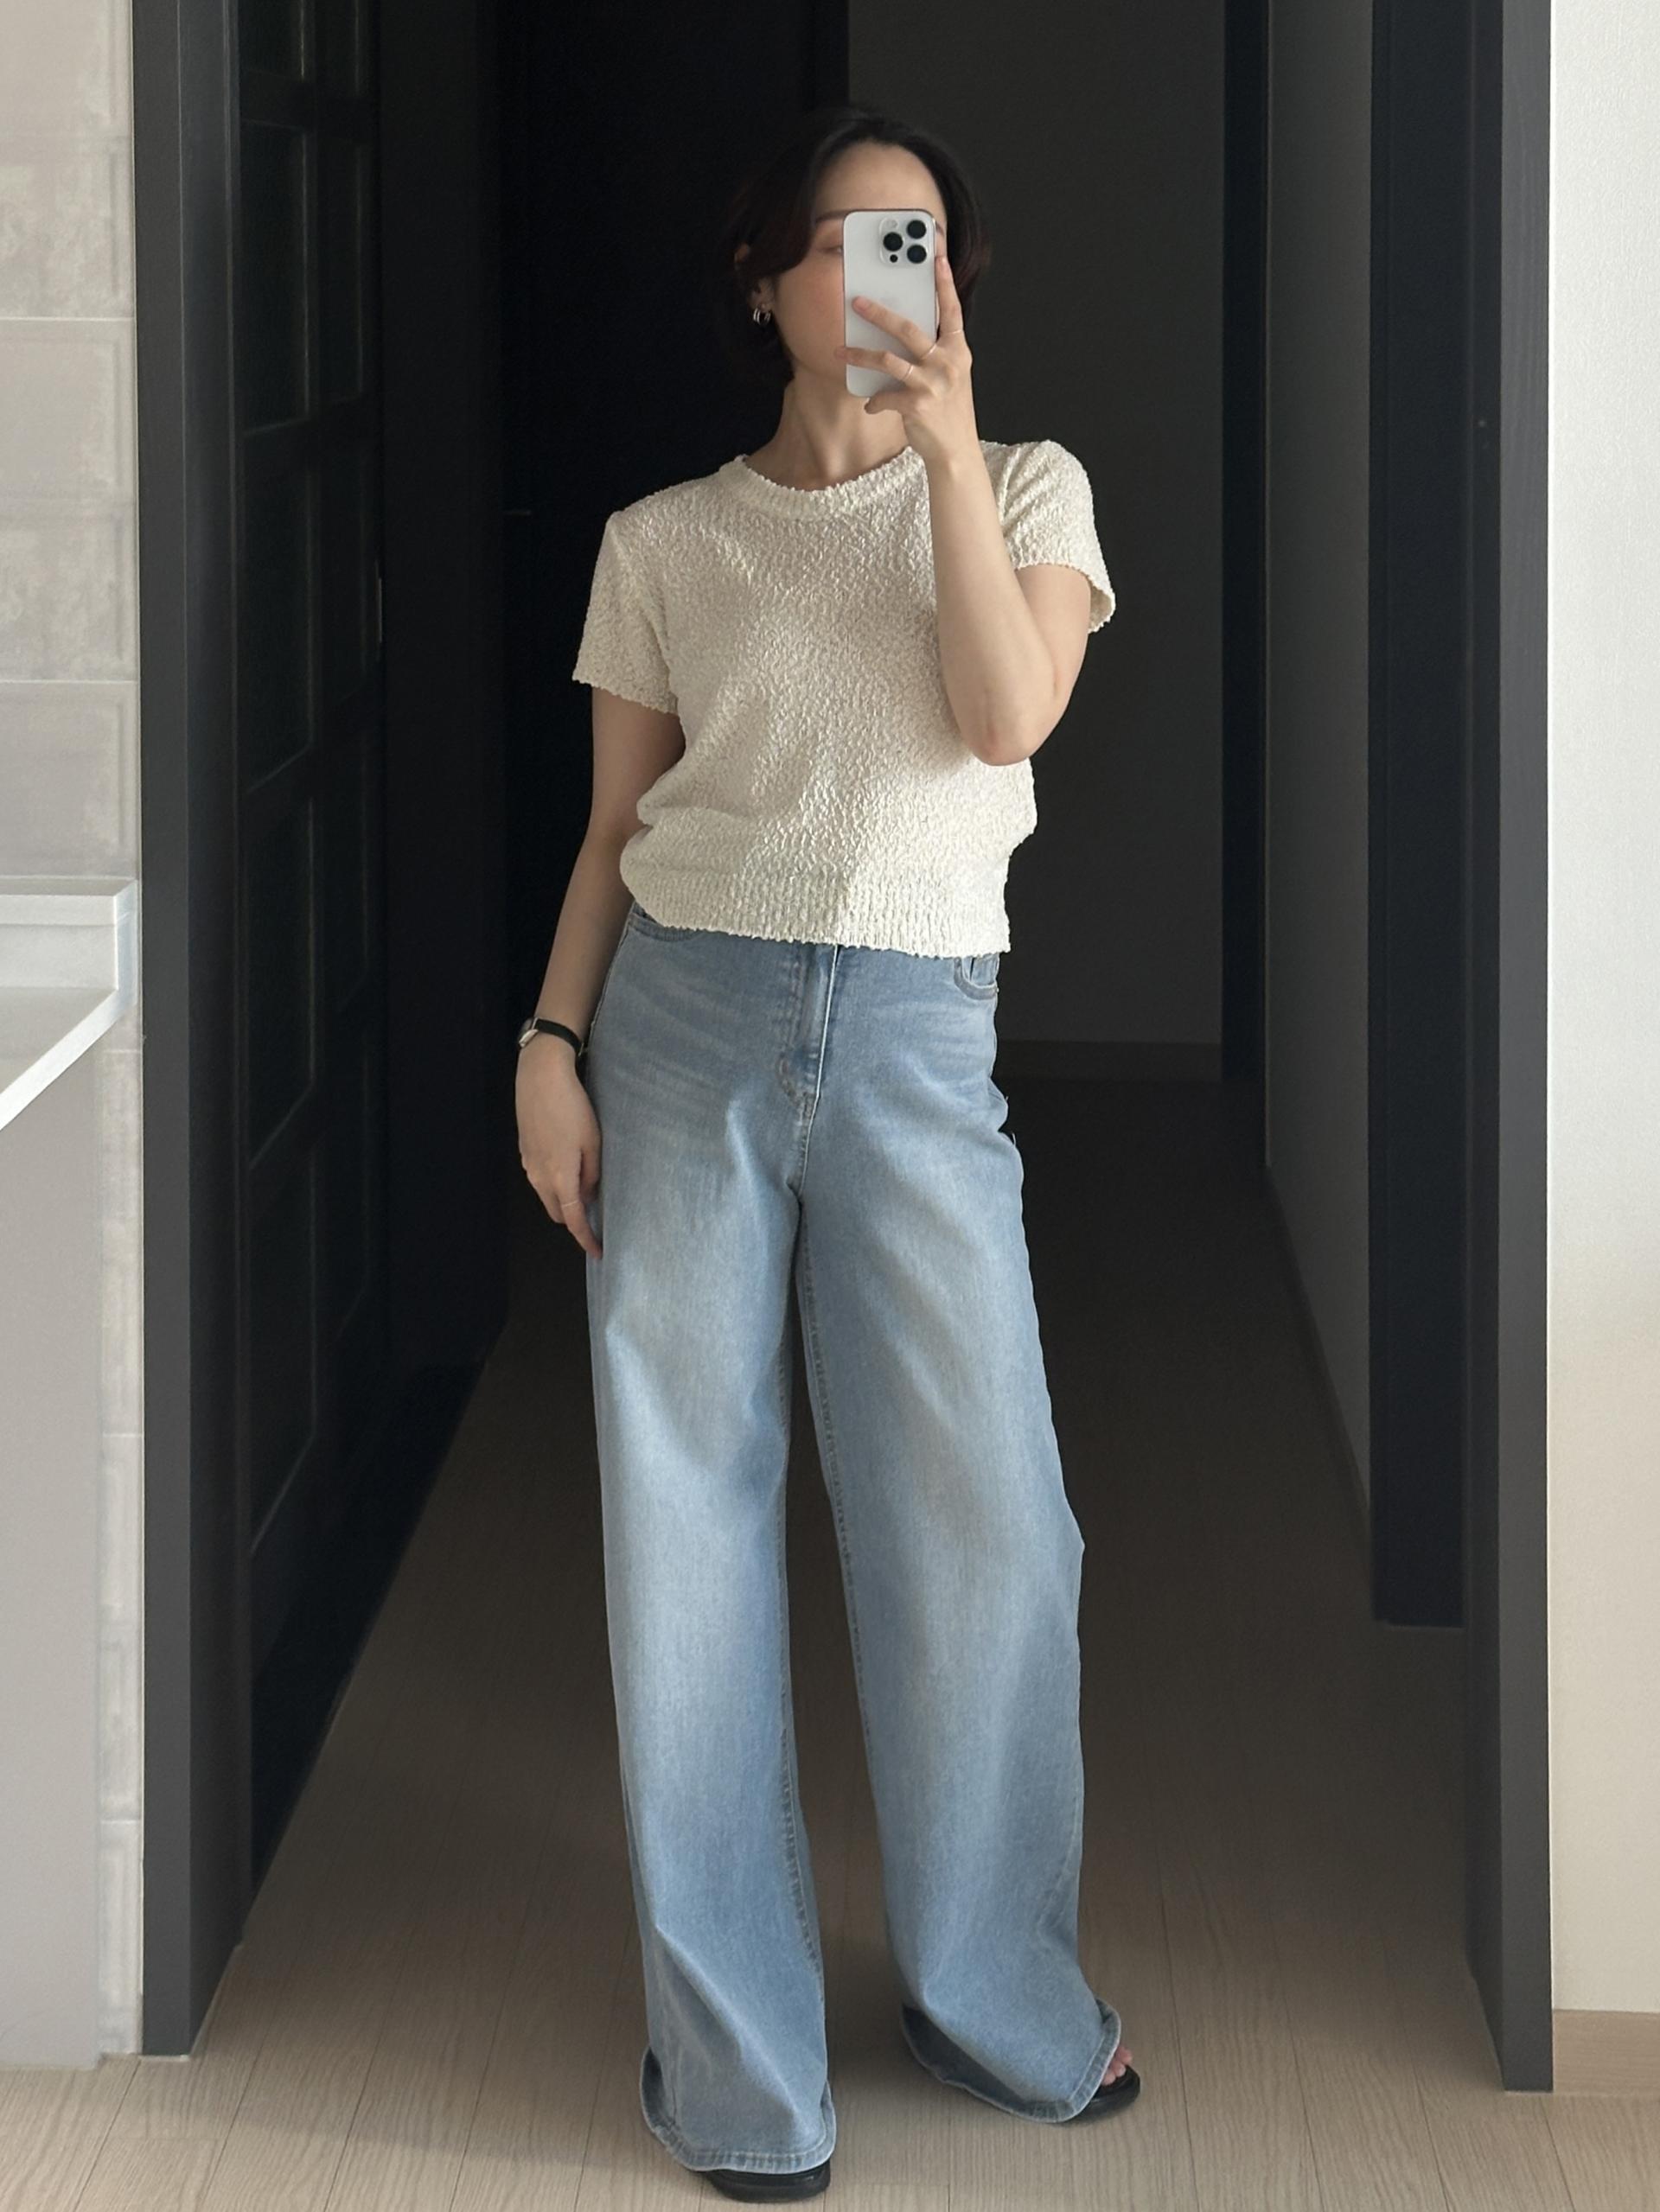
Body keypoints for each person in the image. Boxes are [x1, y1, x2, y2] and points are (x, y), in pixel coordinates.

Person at [514, 102, 1138, 2205]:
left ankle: (995, 1991)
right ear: (767, 279)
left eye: (927, 242)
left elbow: (1002, 717)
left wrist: (943, 458)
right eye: (859, 242)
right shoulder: (663, 540)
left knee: (990, 1523)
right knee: (685, 1535)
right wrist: (550, 1042)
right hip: (680, 1019)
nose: (899, 278)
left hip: (915, 1035)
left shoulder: (1030, 486)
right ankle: (739, 2072)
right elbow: (616, 830)